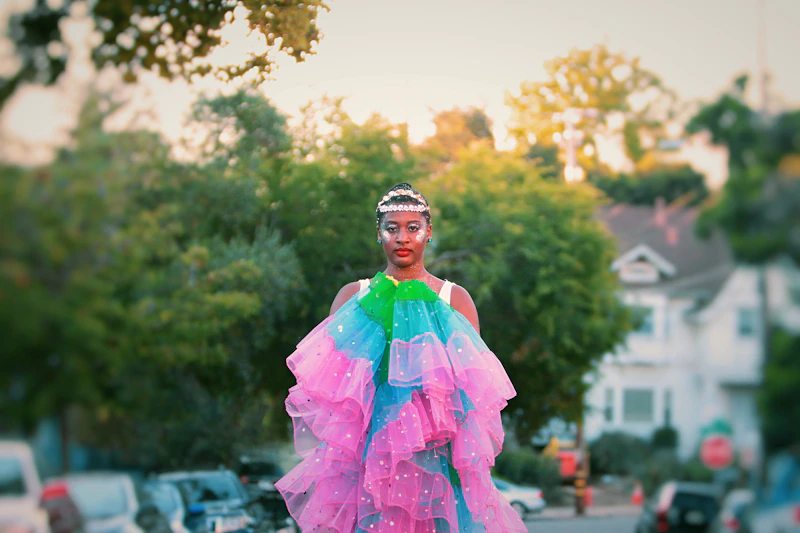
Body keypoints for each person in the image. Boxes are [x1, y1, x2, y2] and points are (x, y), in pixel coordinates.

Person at [275, 183, 525, 533]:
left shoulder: (454, 299)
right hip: (368, 467)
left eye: (413, 227)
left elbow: (471, 393)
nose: (402, 237)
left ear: (428, 232)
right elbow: (333, 392)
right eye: (392, 228)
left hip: (436, 460)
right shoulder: (354, 296)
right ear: (378, 234)